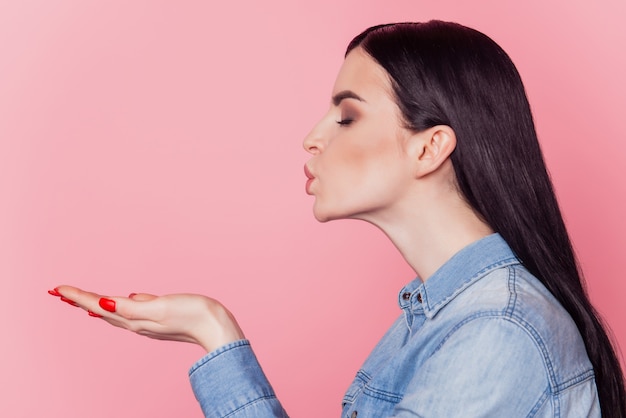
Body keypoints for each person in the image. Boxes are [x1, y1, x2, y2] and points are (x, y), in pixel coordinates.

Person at [49, 20, 626, 417]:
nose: (311, 138)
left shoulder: (496, 332)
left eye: (346, 117)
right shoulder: (438, 318)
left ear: (429, 148)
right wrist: (212, 330)